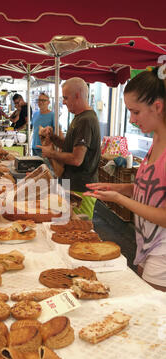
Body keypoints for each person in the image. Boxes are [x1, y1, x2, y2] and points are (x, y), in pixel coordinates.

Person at [84, 67, 166, 292]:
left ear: (157, 106)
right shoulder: (156, 139)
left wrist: (119, 199)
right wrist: (117, 188)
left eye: (135, 112)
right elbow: (151, 190)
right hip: (147, 243)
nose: (131, 119)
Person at [38, 77, 101, 220]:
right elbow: (71, 146)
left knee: (79, 229)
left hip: (81, 187)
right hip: (72, 183)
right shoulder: (80, 117)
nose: (64, 102)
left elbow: (77, 159)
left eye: (66, 98)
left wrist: (51, 153)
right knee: (67, 226)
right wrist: (53, 138)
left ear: (77, 95)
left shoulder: (86, 120)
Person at [31, 92, 55, 156]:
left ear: (48, 102)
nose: (40, 102)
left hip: (45, 149)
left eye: (43, 100)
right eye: (39, 100)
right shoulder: (35, 114)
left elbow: (56, 133)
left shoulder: (52, 115)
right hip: (34, 147)